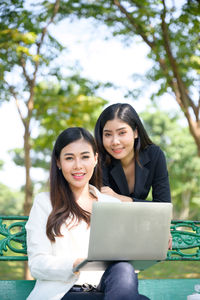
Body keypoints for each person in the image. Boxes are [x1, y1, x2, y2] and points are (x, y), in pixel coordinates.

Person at [26, 127, 150, 300]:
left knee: (123, 268)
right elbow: (37, 264)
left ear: (95, 159)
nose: (78, 166)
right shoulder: (45, 202)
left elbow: (126, 259)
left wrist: (152, 242)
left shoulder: (112, 204)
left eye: (85, 157)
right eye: (69, 158)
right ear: (58, 163)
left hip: (108, 290)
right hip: (65, 292)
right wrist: (74, 264)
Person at [94, 103, 172, 248]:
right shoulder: (99, 160)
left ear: (136, 132)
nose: (115, 141)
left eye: (122, 133)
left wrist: (121, 199)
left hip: (138, 233)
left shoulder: (154, 155)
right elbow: (104, 208)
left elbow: (163, 207)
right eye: (108, 134)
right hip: (108, 236)